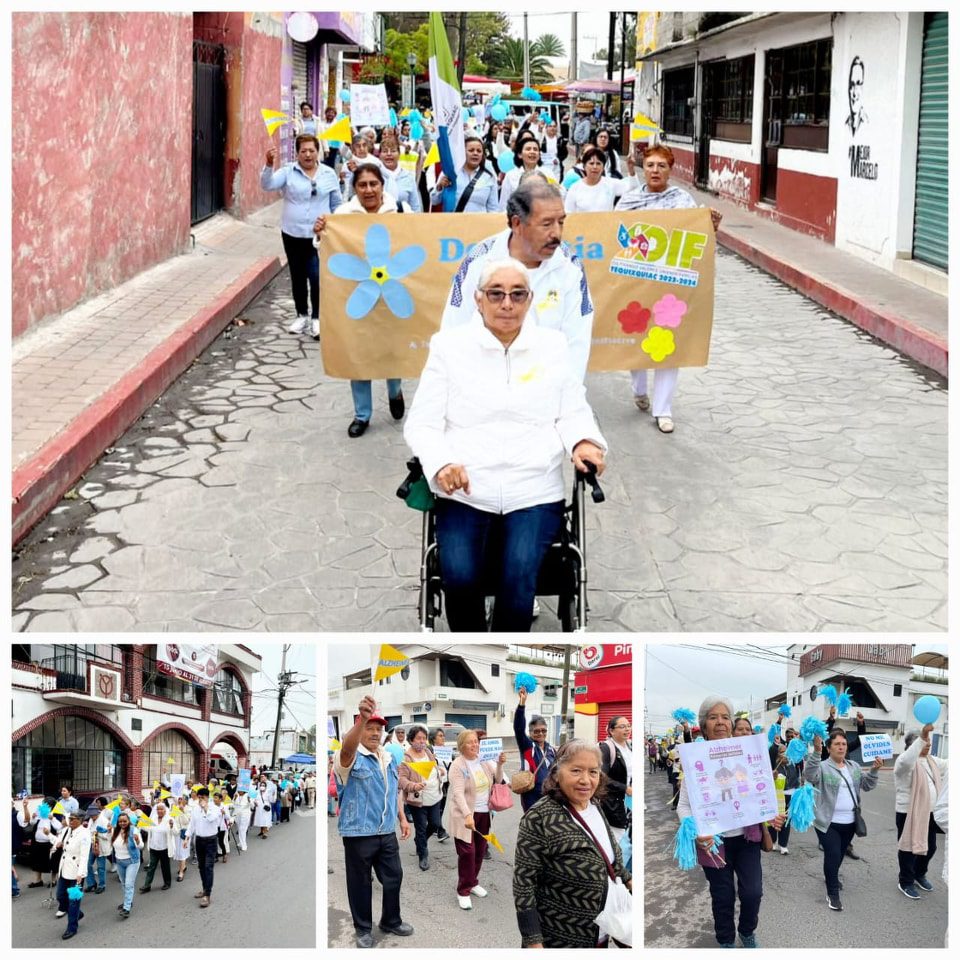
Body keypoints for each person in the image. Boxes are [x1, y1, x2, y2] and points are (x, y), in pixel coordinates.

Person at [405, 257, 607, 632]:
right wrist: (441, 463)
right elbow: (423, 423)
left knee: (518, 579)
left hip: (533, 489)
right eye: (496, 294)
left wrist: (584, 441)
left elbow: (571, 409)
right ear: (478, 299)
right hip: (466, 489)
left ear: (530, 300)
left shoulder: (552, 346)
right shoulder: (450, 346)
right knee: (461, 579)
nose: (507, 304)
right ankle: (471, 648)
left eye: (517, 294)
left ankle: (506, 649)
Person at [440, 177, 594, 383]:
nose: (556, 233)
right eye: (546, 224)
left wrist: (565, 399)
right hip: (484, 387)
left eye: (561, 222)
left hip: (545, 391)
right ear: (517, 224)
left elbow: (577, 342)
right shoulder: (480, 261)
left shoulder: (570, 266)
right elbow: (454, 327)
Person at [618, 144, 722, 434]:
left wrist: (711, 226)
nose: (655, 170)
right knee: (636, 338)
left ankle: (663, 409)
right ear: (642, 167)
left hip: (670, 286)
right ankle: (639, 388)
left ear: (670, 169)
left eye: (661, 166)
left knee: (667, 343)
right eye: (650, 165)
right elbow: (614, 237)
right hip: (636, 284)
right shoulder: (627, 201)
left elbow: (698, 239)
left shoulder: (683, 201)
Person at [677, 695, 786, 948]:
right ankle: (725, 941)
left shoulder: (748, 754)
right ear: (704, 725)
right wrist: (696, 833)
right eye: (713, 717)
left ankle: (747, 932)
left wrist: (771, 814)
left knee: (752, 893)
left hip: (747, 839)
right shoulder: (695, 759)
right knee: (723, 897)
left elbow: (761, 794)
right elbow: (683, 805)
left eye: (725, 717)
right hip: (714, 844)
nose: (720, 722)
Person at [313, 162, 405, 439]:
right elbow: (326, 253)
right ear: (354, 188)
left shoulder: (401, 212)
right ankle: (361, 414)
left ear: (382, 186)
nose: (368, 190)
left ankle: (395, 391)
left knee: (392, 348)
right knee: (359, 352)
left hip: (392, 291)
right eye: (362, 185)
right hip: (357, 292)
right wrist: (321, 234)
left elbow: (420, 243)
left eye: (373, 184)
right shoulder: (342, 215)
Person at [514, 739, 632, 948]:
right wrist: (533, 941)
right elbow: (524, 884)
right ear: (557, 773)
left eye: (593, 772)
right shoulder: (539, 817)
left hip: (602, 933)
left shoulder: (594, 805)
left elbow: (610, 858)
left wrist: (630, 881)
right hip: (560, 938)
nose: (586, 780)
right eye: (576, 771)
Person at [333, 696, 413, 948]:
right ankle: (363, 929)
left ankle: (390, 920)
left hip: (386, 830)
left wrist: (401, 817)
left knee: (393, 877)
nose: (375, 733)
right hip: (359, 833)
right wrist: (362, 718)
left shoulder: (388, 757)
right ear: (359, 728)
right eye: (370, 727)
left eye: (379, 729)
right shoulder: (349, 757)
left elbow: (392, 792)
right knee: (360, 883)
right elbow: (347, 749)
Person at [261, 134, 341, 339]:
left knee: (316, 276)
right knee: (297, 275)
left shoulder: (329, 174)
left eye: (311, 150)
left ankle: (317, 319)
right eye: (303, 151)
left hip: (319, 235)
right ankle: (301, 315)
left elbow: (337, 203)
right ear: (297, 153)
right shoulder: (288, 172)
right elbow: (267, 184)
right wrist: (269, 165)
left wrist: (333, 223)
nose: (307, 154)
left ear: (318, 152)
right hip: (292, 233)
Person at [805, 728, 881, 911]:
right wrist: (816, 752)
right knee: (832, 854)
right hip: (827, 822)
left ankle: (830, 876)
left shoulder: (853, 766)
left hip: (850, 822)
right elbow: (809, 776)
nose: (841, 747)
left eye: (844, 744)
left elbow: (868, 785)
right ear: (829, 748)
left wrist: (875, 769)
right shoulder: (822, 766)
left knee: (838, 855)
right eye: (837, 744)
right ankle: (832, 894)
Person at [448, 729, 505, 910]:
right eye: (470, 742)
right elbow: (457, 793)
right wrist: (467, 815)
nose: (475, 745)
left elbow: (498, 780)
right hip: (464, 815)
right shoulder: (458, 765)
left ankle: (472, 882)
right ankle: (463, 890)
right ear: (462, 746)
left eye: (476, 741)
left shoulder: (483, 760)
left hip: (483, 813)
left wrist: (500, 764)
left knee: (480, 851)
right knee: (467, 853)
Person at [894, 723, 947, 899]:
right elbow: (907, 760)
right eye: (925, 741)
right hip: (908, 813)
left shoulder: (932, 761)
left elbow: (949, 765)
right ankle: (905, 881)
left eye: (929, 741)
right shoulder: (904, 761)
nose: (928, 744)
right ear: (914, 744)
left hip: (930, 813)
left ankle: (919, 874)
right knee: (909, 848)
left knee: (930, 847)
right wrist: (922, 738)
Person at [398, 725, 445, 871]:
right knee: (420, 828)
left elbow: (433, 767)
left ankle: (420, 840)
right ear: (411, 740)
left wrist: (440, 771)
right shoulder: (406, 758)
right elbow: (401, 780)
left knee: (435, 824)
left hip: (435, 796)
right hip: (418, 801)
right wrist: (413, 786)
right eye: (419, 738)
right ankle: (423, 855)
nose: (422, 741)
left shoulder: (428, 752)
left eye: (424, 738)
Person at [513, 687, 556, 812]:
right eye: (536, 731)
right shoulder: (527, 746)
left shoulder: (551, 750)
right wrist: (522, 704)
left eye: (543, 730)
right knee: (532, 827)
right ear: (530, 733)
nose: (540, 733)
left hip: (550, 795)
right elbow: (518, 728)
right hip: (531, 796)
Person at [431, 135, 499, 212]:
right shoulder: (450, 173)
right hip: (454, 222)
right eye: (471, 150)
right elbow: (434, 201)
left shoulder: (489, 177)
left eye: (479, 151)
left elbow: (493, 208)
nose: (475, 153)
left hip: (480, 223)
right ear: (463, 152)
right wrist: (439, 187)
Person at [51, 810, 89, 938]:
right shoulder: (67, 830)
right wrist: (57, 843)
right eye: (70, 818)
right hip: (64, 868)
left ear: (81, 820)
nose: (71, 821)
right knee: (61, 896)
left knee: (73, 902)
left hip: (76, 871)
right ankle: (78, 914)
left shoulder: (84, 834)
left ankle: (72, 928)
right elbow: (58, 841)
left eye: (74, 819)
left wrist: (81, 873)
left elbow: (84, 856)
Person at [563, 146, 630, 213]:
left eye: (598, 163)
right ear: (584, 166)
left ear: (603, 167)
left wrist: (631, 170)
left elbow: (632, 188)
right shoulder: (575, 188)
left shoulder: (610, 184)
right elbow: (568, 214)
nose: (595, 167)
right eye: (591, 163)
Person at [186, 788, 221, 909]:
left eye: (202, 798)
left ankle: (208, 895)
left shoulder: (215, 808)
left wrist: (205, 807)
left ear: (207, 797)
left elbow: (211, 818)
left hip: (211, 840)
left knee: (208, 867)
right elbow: (192, 824)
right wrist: (187, 837)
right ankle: (204, 888)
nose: (200, 800)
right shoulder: (195, 809)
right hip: (199, 840)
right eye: (198, 797)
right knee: (201, 866)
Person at [600, 715, 632, 843]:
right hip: (613, 803)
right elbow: (601, 776)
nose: (627, 729)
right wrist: (625, 788)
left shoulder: (630, 746)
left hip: (629, 801)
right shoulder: (606, 748)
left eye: (629, 726)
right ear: (611, 731)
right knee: (617, 838)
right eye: (622, 726)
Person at [499, 135, 553, 211]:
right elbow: (504, 203)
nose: (532, 152)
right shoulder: (511, 175)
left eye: (535, 149)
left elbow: (556, 197)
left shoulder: (548, 173)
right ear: (520, 154)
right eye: (528, 149)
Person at [769, 728, 801, 855]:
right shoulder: (773, 766)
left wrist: (799, 789)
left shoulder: (792, 764)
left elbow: (796, 778)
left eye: (786, 751)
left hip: (791, 796)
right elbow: (772, 751)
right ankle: (773, 841)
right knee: (775, 819)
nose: (785, 754)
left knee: (786, 821)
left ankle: (783, 845)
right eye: (782, 752)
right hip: (778, 797)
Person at [18, 797, 61, 887]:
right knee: (37, 861)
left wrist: (52, 819)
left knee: (52, 862)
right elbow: (33, 823)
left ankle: (53, 880)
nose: (43, 806)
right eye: (43, 803)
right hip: (37, 842)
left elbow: (59, 827)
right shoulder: (40, 813)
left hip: (49, 843)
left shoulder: (55, 814)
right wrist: (33, 818)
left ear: (51, 806)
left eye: (46, 804)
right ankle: (38, 880)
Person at [111, 811, 143, 918]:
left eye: (124, 821)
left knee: (129, 884)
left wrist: (137, 841)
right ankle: (128, 901)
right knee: (124, 883)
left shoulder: (134, 830)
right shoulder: (115, 831)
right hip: (119, 861)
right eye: (120, 821)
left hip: (132, 861)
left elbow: (141, 846)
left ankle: (127, 908)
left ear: (128, 821)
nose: (122, 823)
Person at [379, 135, 423, 212]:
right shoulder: (375, 175)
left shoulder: (408, 176)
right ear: (380, 155)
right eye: (385, 151)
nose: (389, 154)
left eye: (393, 151)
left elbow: (415, 207)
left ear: (399, 154)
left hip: (404, 221)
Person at [139, 801, 176, 892]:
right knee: (151, 866)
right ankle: (147, 885)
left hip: (164, 848)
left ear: (165, 810)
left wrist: (172, 826)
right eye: (158, 809)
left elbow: (175, 832)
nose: (159, 811)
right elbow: (147, 828)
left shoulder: (169, 819)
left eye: (161, 809)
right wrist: (140, 821)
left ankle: (167, 883)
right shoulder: (154, 819)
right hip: (153, 847)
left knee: (165, 867)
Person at [172, 795, 191, 882]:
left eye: (182, 799)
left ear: (186, 801)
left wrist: (182, 811)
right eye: (179, 799)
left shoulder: (189, 809)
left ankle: (181, 872)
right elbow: (173, 818)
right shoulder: (175, 807)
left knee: (182, 852)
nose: (180, 800)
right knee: (179, 852)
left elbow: (186, 821)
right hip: (176, 833)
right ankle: (184, 866)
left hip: (185, 834)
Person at [252, 774, 275, 839]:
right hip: (259, 808)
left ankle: (265, 833)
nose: (262, 786)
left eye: (263, 785)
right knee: (260, 819)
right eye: (261, 785)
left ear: (265, 786)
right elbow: (253, 799)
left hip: (266, 807)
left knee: (265, 820)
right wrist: (255, 802)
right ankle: (261, 831)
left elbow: (272, 800)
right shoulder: (257, 792)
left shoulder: (268, 792)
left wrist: (272, 796)